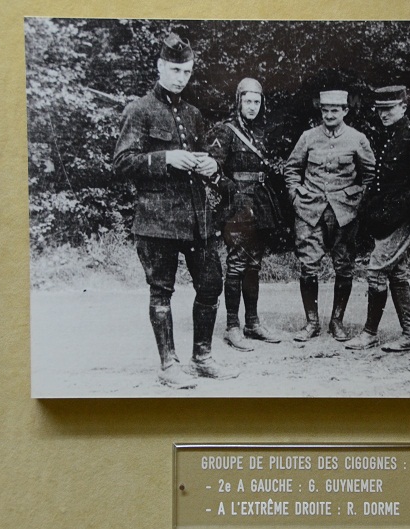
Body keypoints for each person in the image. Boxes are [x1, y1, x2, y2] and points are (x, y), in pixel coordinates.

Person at [113, 33, 239, 388]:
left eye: (186, 71)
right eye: (174, 70)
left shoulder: (193, 114)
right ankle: (168, 364)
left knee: (211, 283)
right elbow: (122, 164)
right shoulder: (139, 110)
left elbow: (207, 156)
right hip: (156, 220)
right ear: (159, 67)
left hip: (197, 218)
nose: (181, 77)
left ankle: (203, 357)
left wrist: (211, 166)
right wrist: (165, 158)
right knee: (161, 291)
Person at [344, 86, 410, 351]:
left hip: (403, 215)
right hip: (386, 215)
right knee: (396, 272)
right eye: (380, 110)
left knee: (376, 268)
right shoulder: (387, 135)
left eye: (390, 109)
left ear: (403, 107)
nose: (384, 114)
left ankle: (369, 333)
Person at [284, 89, 376, 342]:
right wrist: (295, 195)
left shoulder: (357, 139)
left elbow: (369, 175)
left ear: (345, 111)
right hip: (309, 210)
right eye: (325, 111)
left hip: (344, 213)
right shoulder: (308, 137)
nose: (329, 115)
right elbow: (291, 169)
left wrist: (356, 201)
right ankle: (311, 322)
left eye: (335, 110)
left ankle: (337, 321)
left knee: (344, 265)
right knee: (308, 265)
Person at [206, 78, 282, 352]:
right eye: (248, 101)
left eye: (257, 101)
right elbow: (209, 168)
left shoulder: (259, 132)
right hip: (236, 206)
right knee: (237, 264)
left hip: (259, 204)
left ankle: (252, 322)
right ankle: (232, 327)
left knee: (254, 264)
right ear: (239, 101)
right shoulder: (225, 131)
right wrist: (230, 189)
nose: (252, 106)